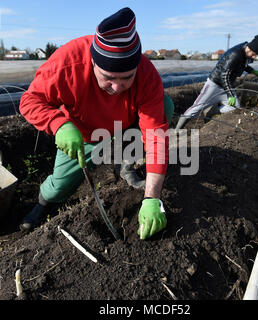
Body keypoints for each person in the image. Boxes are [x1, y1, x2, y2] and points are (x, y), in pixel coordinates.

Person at [18, 7, 174, 240]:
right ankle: (43, 202)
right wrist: (58, 124)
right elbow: (29, 100)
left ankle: (128, 165)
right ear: (92, 62)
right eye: (108, 78)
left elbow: (156, 138)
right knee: (60, 185)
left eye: (127, 78)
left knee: (166, 106)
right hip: (83, 131)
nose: (117, 87)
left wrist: (152, 199)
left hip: (125, 125)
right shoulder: (68, 63)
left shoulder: (147, 75)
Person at [175, 35, 258, 130]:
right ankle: (177, 129)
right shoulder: (235, 54)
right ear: (250, 47)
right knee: (196, 108)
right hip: (214, 84)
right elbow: (224, 75)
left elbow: (241, 65)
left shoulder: (244, 54)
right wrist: (230, 94)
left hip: (226, 85)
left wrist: (252, 71)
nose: (254, 56)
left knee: (234, 109)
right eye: (254, 53)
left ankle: (211, 111)